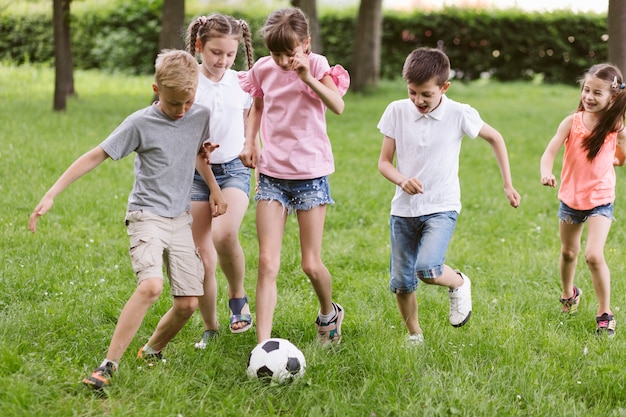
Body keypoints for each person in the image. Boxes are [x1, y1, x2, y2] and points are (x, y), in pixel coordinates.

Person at [28, 49, 227, 390]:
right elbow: (96, 154)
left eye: (187, 102)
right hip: (146, 215)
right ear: (155, 89)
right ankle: (108, 365)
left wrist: (214, 188)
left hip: (180, 219)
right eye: (173, 103)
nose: (181, 111)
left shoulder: (199, 115)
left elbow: (196, 154)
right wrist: (51, 193)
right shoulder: (139, 123)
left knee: (189, 303)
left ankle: (151, 351)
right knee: (151, 286)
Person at [377, 47, 521, 346]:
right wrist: (402, 180)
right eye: (412, 92)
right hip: (403, 210)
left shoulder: (459, 114)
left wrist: (508, 184)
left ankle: (458, 282)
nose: (418, 100)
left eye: (426, 94)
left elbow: (495, 137)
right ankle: (414, 335)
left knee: (428, 268)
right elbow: (384, 162)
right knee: (402, 282)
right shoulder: (396, 110)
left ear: (444, 87)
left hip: (442, 206)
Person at [238, 7, 350, 346]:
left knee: (310, 264)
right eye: (276, 54)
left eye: (291, 53)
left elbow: (337, 105)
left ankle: (329, 313)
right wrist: (249, 141)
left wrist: (307, 78)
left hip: (311, 176)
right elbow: (257, 106)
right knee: (267, 261)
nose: (284, 61)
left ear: (306, 44)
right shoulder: (262, 69)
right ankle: (262, 344)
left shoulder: (316, 65)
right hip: (272, 173)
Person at [540, 63, 626, 338]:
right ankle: (569, 294)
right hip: (571, 197)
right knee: (568, 252)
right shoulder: (572, 122)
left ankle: (605, 313)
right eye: (586, 90)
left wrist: (618, 158)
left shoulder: (614, 124)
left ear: (612, 97)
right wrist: (546, 172)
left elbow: (623, 148)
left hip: (600, 198)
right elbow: (550, 150)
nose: (589, 96)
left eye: (597, 93)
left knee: (593, 255)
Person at [185, 14, 255, 349]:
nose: (222, 61)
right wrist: (210, 186)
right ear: (199, 46)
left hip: (234, 170)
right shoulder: (187, 83)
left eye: (229, 54)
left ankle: (237, 294)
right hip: (196, 176)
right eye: (215, 53)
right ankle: (210, 328)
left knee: (225, 233)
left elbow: (248, 120)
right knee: (202, 259)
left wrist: (251, 146)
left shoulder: (241, 82)